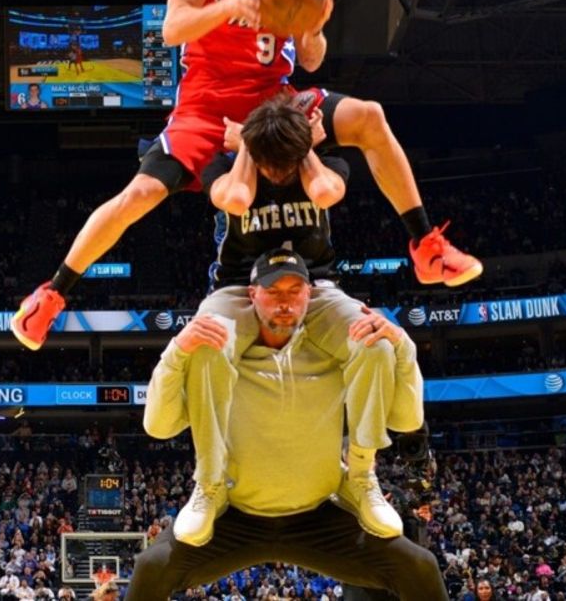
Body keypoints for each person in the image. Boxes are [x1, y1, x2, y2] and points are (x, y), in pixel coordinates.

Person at [12, 0, 482, 349]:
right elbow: (172, 29)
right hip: (206, 105)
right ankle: (51, 295)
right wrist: (231, 6)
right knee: (141, 195)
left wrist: (313, 28)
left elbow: (313, 60)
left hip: (275, 101)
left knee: (370, 117)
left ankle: (427, 247)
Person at [119, 247, 445, 601]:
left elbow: (407, 420)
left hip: (318, 515)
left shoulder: (339, 350)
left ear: (311, 295)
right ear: (252, 295)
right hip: (236, 515)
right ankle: (208, 486)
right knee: (151, 566)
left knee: (419, 567)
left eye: (294, 291)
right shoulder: (218, 353)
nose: (284, 303)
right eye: (273, 292)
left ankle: (361, 480)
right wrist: (176, 351)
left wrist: (403, 346)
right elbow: (159, 426)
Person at [175, 94, 414, 545]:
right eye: (271, 164)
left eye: (286, 164)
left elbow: (325, 191)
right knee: (204, 347)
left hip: (316, 287)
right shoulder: (227, 168)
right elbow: (236, 199)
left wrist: (306, 149)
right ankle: (208, 483)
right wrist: (247, 147)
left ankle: (361, 475)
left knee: (374, 342)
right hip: (238, 288)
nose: (278, 175)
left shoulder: (321, 166)